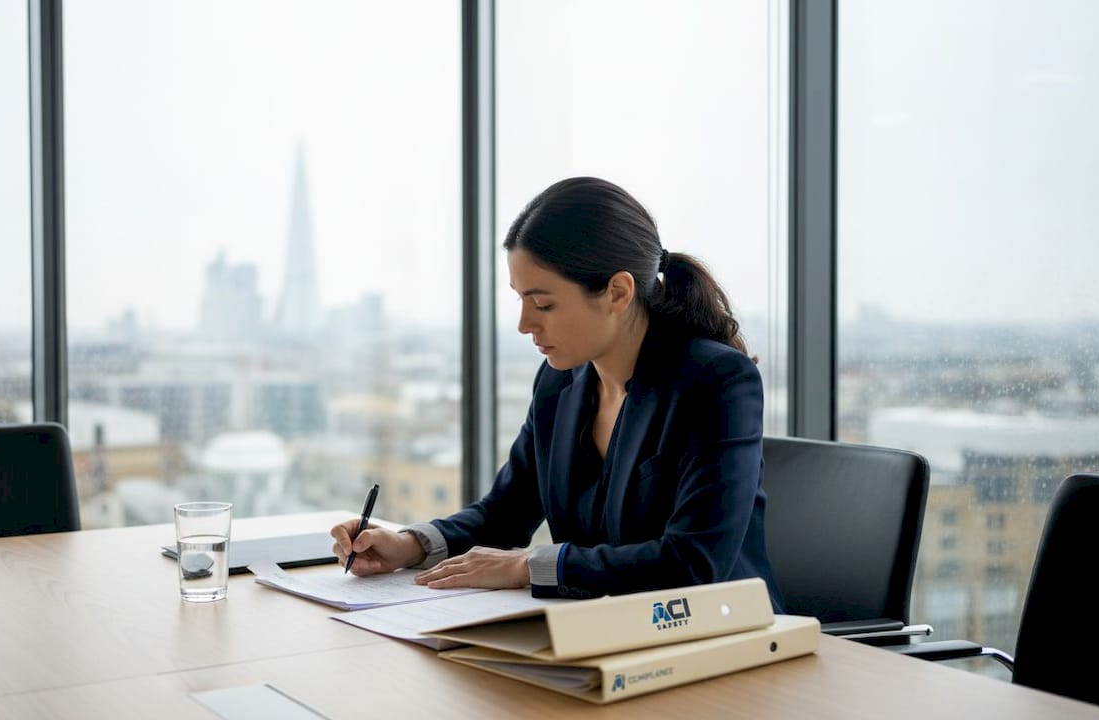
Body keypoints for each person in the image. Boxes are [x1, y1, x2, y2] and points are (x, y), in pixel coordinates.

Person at [331, 176, 783, 608]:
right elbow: (505, 513)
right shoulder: (558, 382)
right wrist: (408, 545)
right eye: (521, 299)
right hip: (599, 632)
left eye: (544, 303)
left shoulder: (715, 381)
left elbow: (694, 563)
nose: (525, 324)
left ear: (617, 292)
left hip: (720, 640)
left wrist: (530, 565)